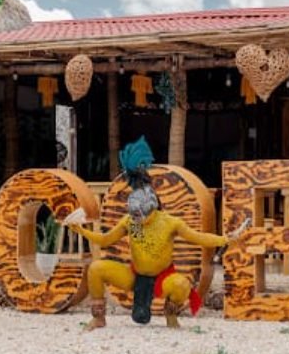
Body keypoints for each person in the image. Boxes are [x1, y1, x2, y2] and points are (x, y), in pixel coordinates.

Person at [66, 137, 244, 330]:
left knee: (182, 285)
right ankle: (99, 318)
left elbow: (199, 237)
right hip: (134, 275)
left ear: (151, 209)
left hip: (163, 279)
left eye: (139, 215)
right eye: (133, 214)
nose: (136, 219)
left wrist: (225, 239)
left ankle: (171, 316)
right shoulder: (130, 221)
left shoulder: (170, 222)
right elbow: (106, 239)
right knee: (96, 268)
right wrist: (81, 230)